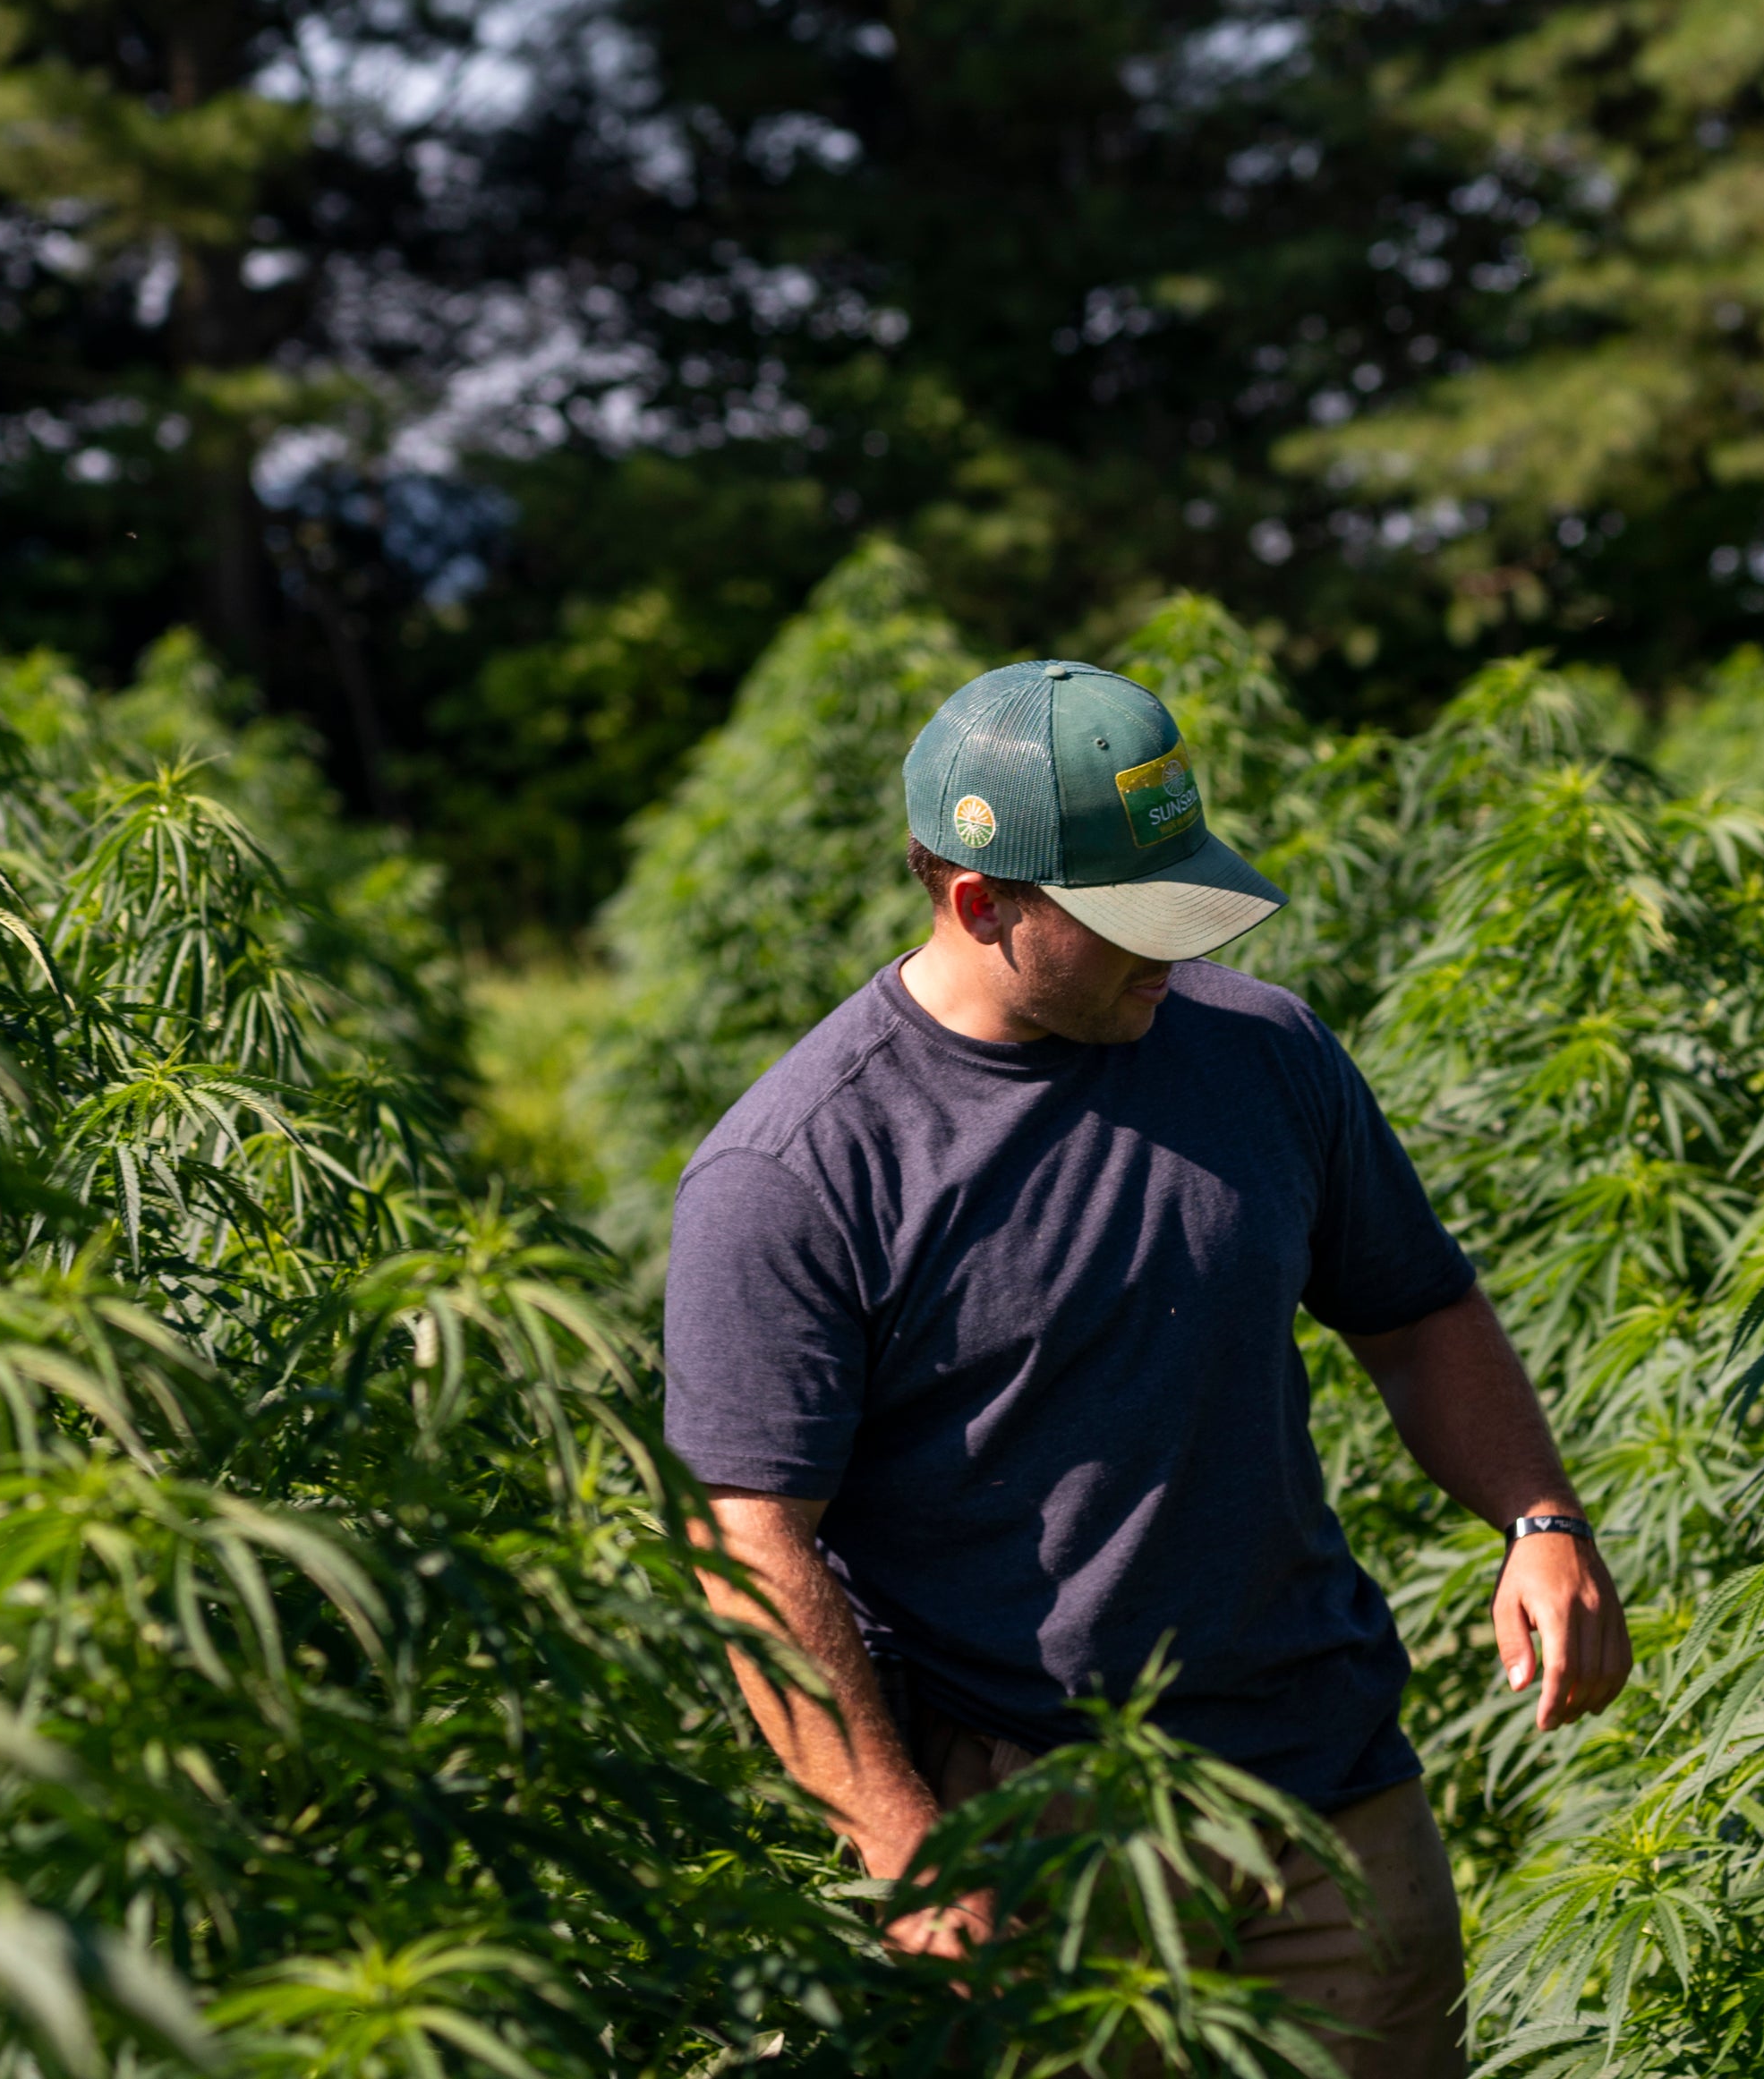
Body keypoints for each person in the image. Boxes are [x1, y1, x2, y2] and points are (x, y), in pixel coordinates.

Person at [660, 658, 1631, 2078]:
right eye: (1127, 922)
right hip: (1040, 1823)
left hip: (1326, 1780)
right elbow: (750, 1538)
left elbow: (1415, 1311)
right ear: (978, 903)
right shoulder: (798, 1168)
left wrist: (1540, 1516)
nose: (1170, 957)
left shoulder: (1261, 1051)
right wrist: (903, 1842)